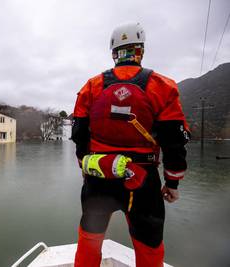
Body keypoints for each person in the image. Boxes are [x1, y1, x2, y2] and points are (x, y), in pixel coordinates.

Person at [71, 22, 190, 267]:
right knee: (149, 246)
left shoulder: (92, 87)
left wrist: (87, 167)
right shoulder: (162, 86)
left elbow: (79, 134)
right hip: (142, 180)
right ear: (141, 51)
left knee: (89, 240)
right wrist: (172, 183)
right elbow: (174, 142)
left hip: (99, 176)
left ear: (113, 53)